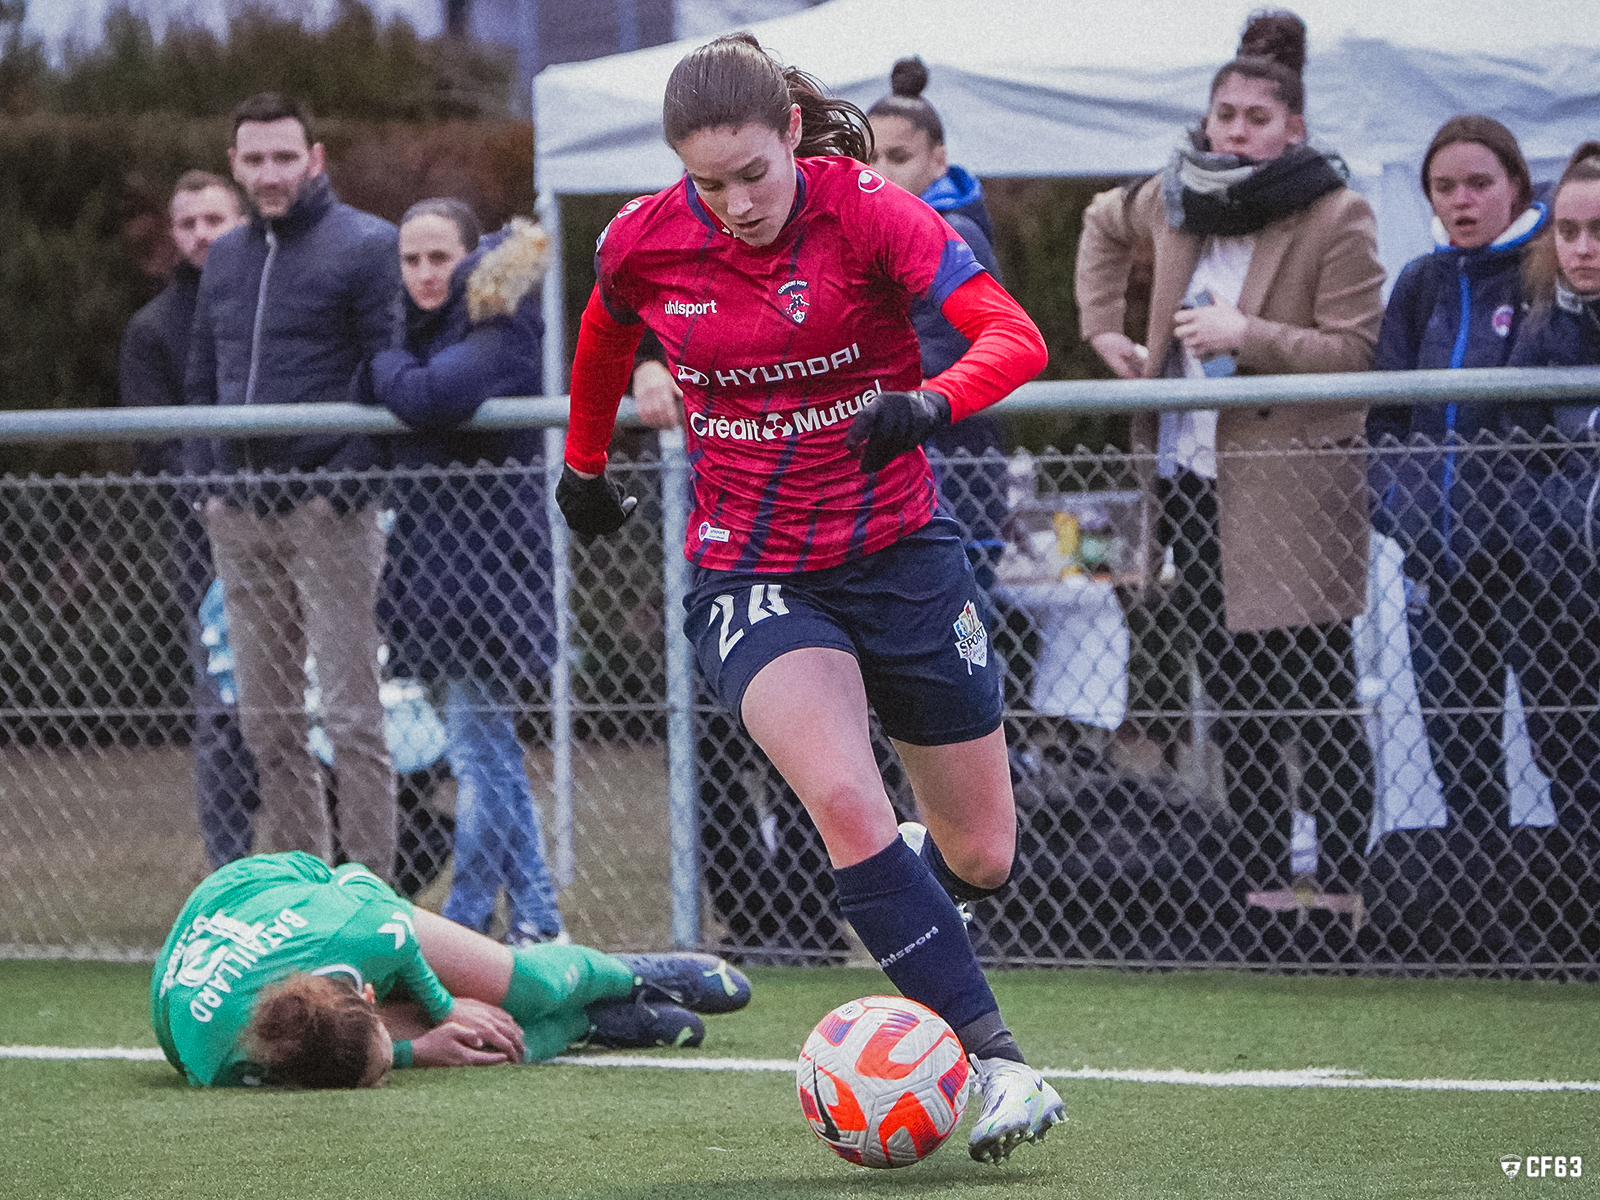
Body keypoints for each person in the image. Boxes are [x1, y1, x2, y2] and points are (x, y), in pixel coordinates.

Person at [554, 33, 1062, 1164]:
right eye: (706, 183)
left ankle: (898, 900)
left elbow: (1013, 336)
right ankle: (999, 1062)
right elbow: (602, 335)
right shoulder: (643, 239)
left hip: (900, 550)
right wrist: (584, 467)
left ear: (792, 134)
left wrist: (931, 405)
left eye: (752, 176)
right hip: (753, 568)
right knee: (843, 800)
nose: (733, 204)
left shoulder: (872, 212)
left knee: (981, 856)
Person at [1075, 11, 1385, 926]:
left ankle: (1336, 887)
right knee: (1234, 689)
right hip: (1192, 482)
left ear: (1293, 128)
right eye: (1225, 115)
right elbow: (1100, 221)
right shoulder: (1177, 196)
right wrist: (1103, 329)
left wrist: (1249, 336)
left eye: (1256, 118)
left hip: (1292, 486)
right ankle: (1256, 887)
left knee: (1316, 689)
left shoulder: (1337, 209)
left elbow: (1359, 352)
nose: (1237, 131)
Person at [186, 93, 401, 879]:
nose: (270, 173)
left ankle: (373, 899)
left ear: (314, 160)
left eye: (285, 157)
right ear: (235, 164)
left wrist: (338, 490)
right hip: (238, 517)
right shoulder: (229, 255)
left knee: (352, 719)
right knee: (266, 726)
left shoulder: (369, 246)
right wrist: (207, 483)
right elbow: (203, 378)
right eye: (254, 159)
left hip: (329, 518)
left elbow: (388, 373)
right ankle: (309, 897)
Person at [357, 198, 566, 946]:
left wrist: (380, 363)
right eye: (409, 259)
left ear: (472, 257)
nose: (422, 273)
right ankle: (535, 919)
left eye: (438, 257)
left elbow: (431, 395)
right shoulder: (422, 331)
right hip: (433, 578)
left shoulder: (498, 322)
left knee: (483, 755)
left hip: (484, 577)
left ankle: (482, 918)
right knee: (486, 753)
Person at [1364, 115, 1549, 957]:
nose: (1463, 200)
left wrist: (1521, 524)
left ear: (1515, 182)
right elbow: (1386, 423)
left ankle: (1569, 932)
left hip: (1538, 570)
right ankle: (1493, 936)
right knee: (1463, 765)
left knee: (1567, 752)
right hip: (1437, 570)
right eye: (1445, 187)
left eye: (1478, 183)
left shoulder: (1553, 273)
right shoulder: (1422, 283)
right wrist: (1403, 515)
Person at [151, 851, 751, 1088]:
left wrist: (441, 1008)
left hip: (269, 889)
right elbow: (366, 1050)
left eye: (385, 1045)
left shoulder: (359, 927)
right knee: (470, 1046)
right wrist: (421, 1049)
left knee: (527, 988)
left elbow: (364, 888)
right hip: (190, 984)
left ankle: (628, 975)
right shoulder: (218, 1063)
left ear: (366, 991)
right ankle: (584, 1026)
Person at [119, 170, 261, 867]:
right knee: (224, 720)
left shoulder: (268, 300)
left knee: (312, 719)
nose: (202, 234)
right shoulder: (152, 330)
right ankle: (229, 874)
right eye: (188, 223)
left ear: (240, 220)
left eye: (214, 219)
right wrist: (215, 497)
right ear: (173, 235)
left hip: (301, 533)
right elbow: (158, 446)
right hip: (207, 554)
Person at [1500, 142, 1600, 964]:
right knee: (1567, 754)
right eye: (1567, 229)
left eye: (1597, 229)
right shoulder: (1538, 332)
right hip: (1558, 592)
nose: (1582, 247)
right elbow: (1514, 460)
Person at [867, 56, 1009, 588]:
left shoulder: (955, 236)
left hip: (953, 472)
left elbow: (947, 350)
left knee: (962, 650)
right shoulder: (870, 234)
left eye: (898, 156)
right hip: (905, 473)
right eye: (869, 156)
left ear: (938, 160)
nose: (880, 171)